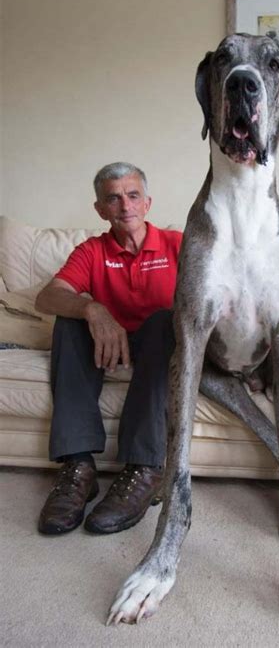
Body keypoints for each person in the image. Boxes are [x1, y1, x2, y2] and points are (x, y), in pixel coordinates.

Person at [35, 162, 182, 536]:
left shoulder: (176, 244)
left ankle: (144, 468)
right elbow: (47, 296)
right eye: (113, 199)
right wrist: (91, 307)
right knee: (69, 321)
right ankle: (78, 467)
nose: (125, 205)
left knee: (165, 321)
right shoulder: (92, 250)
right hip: (108, 347)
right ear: (100, 209)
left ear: (147, 203)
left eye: (133, 196)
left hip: (159, 346)